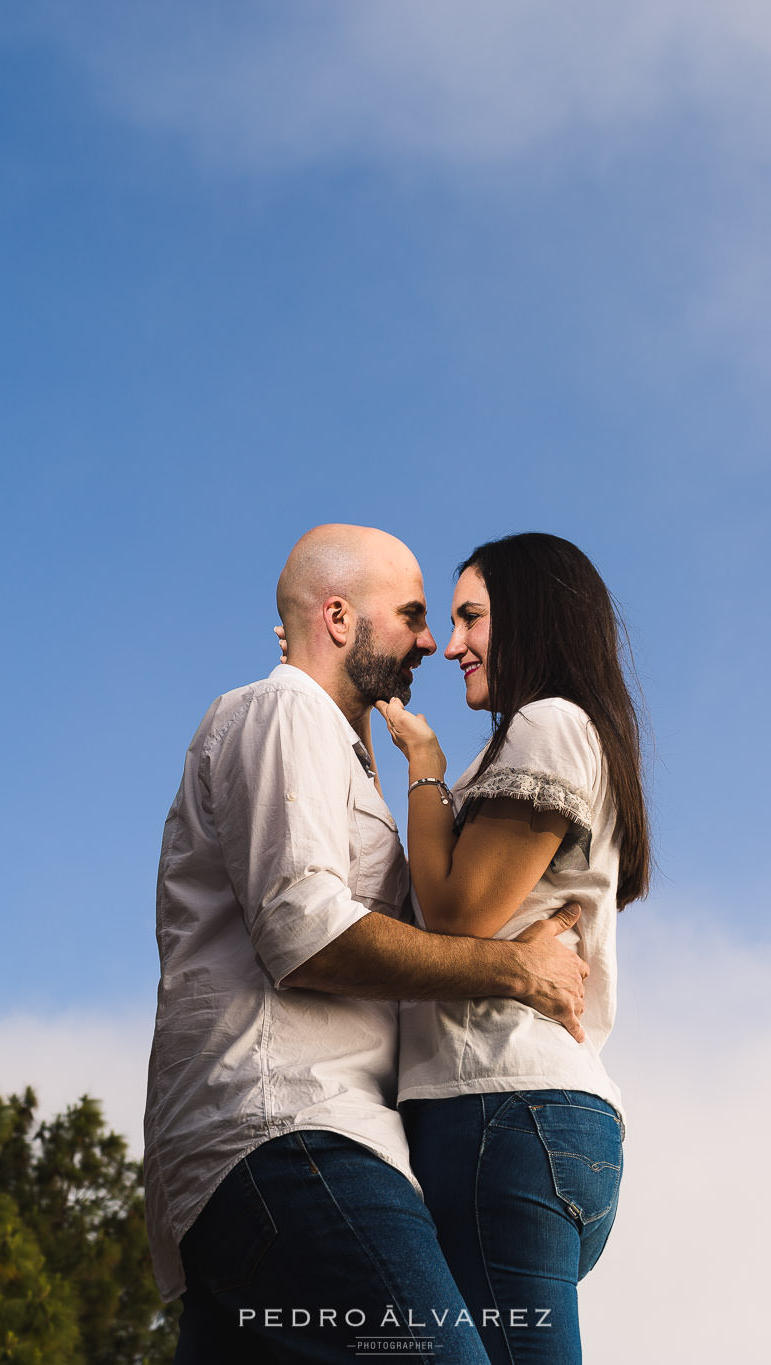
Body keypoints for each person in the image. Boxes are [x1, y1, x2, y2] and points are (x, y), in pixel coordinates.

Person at [145, 524, 593, 1365]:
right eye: (415, 615)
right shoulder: (283, 710)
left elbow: (377, 932)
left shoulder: (333, 750)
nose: (431, 641)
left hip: (265, 1156)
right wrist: (514, 969)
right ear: (340, 617)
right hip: (294, 1133)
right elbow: (304, 932)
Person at [378, 532, 650, 1365]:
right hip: (532, 1117)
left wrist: (423, 766)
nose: (454, 643)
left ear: (531, 616)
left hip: (501, 1104)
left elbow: (456, 910)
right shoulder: (543, 737)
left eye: (472, 618)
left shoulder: (549, 724)